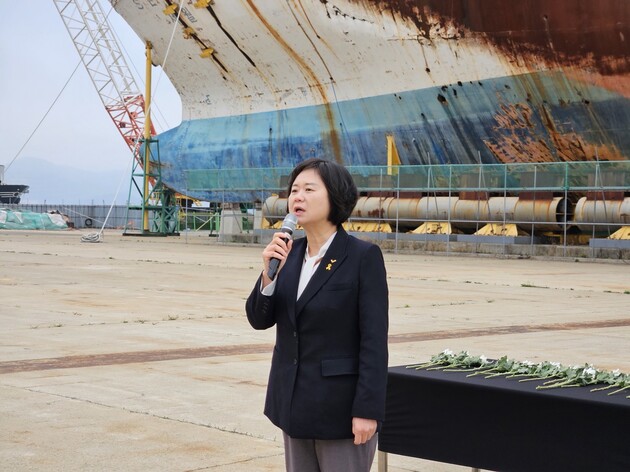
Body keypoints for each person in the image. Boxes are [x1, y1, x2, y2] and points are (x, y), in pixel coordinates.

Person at [245, 158, 389, 472]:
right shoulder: (289, 253)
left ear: (335, 197)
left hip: (341, 411)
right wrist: (268, 277)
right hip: (293, 405)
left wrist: (368, 410)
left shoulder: (362, 257)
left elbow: (374, 341)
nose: (297, 196)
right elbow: (259, 319)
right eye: (294, 190)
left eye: (309, 189)